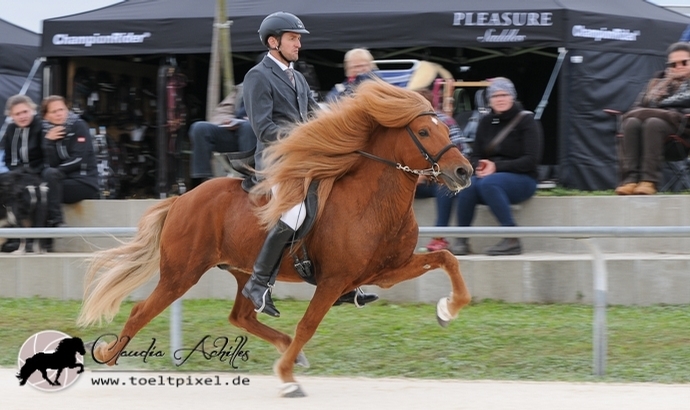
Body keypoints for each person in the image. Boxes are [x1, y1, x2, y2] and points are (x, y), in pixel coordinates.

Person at [241, 12, 377, 317]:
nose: (298, 44)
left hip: (305, 158)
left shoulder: (298, 77)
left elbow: (317, 115)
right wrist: (306, 135)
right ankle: (259, 283)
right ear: (273, 42)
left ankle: (341, 284)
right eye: (293, 38)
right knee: (294, 211)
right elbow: (263, 128)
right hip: (277, 159)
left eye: (299, 38)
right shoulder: (257, 76)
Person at [453, 77, 542, 256]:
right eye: (495, 96)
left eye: (504, 94)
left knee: (489, 183)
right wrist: (480, 165)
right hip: (492, 177)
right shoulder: (485, 122)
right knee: (467, 186)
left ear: (512, 97)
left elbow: (530, 160)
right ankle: (461, 239)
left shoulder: (527, 121)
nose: (499, 99)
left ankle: (512, 238)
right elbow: (475, 155)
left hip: (523, 179)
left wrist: (496, 166)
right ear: (489, 100)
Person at [615, 42, 690, 196]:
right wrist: (666, 83)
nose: (678, 67)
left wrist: (656, 109)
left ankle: (649, 182)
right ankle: (630, 181)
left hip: (682, 134)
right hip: (651, 136)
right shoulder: (657, 82)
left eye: (684, 62)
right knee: (632, 122)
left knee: (652, 122)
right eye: (673, 64)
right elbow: (637, 107)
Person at [41, 95, 99, 228]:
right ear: (46, 116)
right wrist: (48, 142)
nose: (59, 114)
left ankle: (57, 222)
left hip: (84, 182)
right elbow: (48, 163)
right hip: (61, 181)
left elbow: (79, 158)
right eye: (54, 111)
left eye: (62, 109)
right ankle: (43, 240)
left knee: (46, 184)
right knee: (39, 189)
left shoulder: (79, 126)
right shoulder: (46, 132)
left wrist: (58, 173)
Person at [189, 84, 257, 188]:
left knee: (248, 126)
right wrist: (227, 121)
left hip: (262, 136)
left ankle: (248, 180)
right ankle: (201, 182)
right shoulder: (243, 87)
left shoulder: (280, 86)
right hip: (237, 133)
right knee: (199, 128)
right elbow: (222, 111)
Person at [3, 95, 44, 173]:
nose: (22, 116)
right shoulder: (10, 129)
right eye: (17, 114)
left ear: (32, 110)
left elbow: (48, 158)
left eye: (25, 112)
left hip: (40, 172)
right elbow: (8, 159)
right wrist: (17, 173)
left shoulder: (41, 126)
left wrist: (32, 173)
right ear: (11, 116)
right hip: (19, 173)